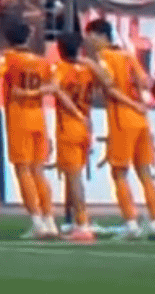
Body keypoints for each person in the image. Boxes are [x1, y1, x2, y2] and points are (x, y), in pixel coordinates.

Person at [85, 18, 155, 239]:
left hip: (122, 117)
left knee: (119, 172)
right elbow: (144, 82)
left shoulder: (104, 57)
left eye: (91, 36)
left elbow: (110, 86)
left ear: (101, 36)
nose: (89, 41)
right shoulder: (128, 55)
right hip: (141, 119)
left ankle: (131, 223)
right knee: (145, 172)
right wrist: (141, 103)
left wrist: (130, 103)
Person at [0, 20, 58, 239]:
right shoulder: (42, 61)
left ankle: (37, 222)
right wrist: (35, 93)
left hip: (19, 117)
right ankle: (50, 220)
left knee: (23, 170)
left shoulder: (9, 58)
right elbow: (54, 86)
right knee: (38, 171)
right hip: (38, 118)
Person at [52, 30, 98, 242]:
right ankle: (74, 221)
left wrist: (75, 112)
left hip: (69, 126)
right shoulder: (87, 70)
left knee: (74, 177)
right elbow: (106, 82)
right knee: (74, 176)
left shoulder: (61, 69)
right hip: (85, 126)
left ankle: (83, 223)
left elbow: (56, 89)